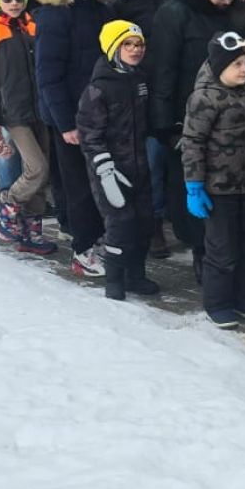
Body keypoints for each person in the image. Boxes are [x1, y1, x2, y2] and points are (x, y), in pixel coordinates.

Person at [150, 0, 245, 279]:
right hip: (189, 118)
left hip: (232, 116)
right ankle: (203, 256)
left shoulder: (235, 7)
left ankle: (231, 260)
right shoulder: (175, 12)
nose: (225, 2)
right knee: (195, 192)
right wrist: (165, 126)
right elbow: (163, 70)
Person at [35, 0, 133, 277]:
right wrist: (65, 123)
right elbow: (48, 74)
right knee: (78, 185)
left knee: (103, 181)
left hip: (102, 114)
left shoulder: (104, 11)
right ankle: (83, 250)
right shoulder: (55, 14)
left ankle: (100, 237)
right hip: (71, 119)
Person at [182, 31, 245, 327]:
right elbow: (192, 142)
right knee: (222, 250)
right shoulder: (203, 98)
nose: (244, 69)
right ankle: (217, 303)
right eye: (237, 64)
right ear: (220, 66)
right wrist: (194, 186)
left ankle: (243, 297)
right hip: (218, 190)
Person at [78, 21, 161, 299]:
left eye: (139, 45)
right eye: (128, 44)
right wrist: (105, 169)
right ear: (114, 48)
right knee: (120, 225)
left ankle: (135, 276)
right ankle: (114, 281)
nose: (135, 50)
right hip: (110, 172)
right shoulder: (98, 89)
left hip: (139, 167)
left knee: (144, 222)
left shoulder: (139, 80)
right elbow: (90, 135)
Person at [0, 0, 56, 256]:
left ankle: (30, 232)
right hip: (14, 114)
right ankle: (7, 207)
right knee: (37, 168)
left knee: (41, 176)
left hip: (40, 110)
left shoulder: (32, 28)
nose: (13, 3)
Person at [116, 0, 175, 257]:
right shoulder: (124, 1)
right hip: (141, 93)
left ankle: (176, 216)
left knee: (175, 162)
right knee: (150, 161)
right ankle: (153, 226)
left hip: (175, 90)